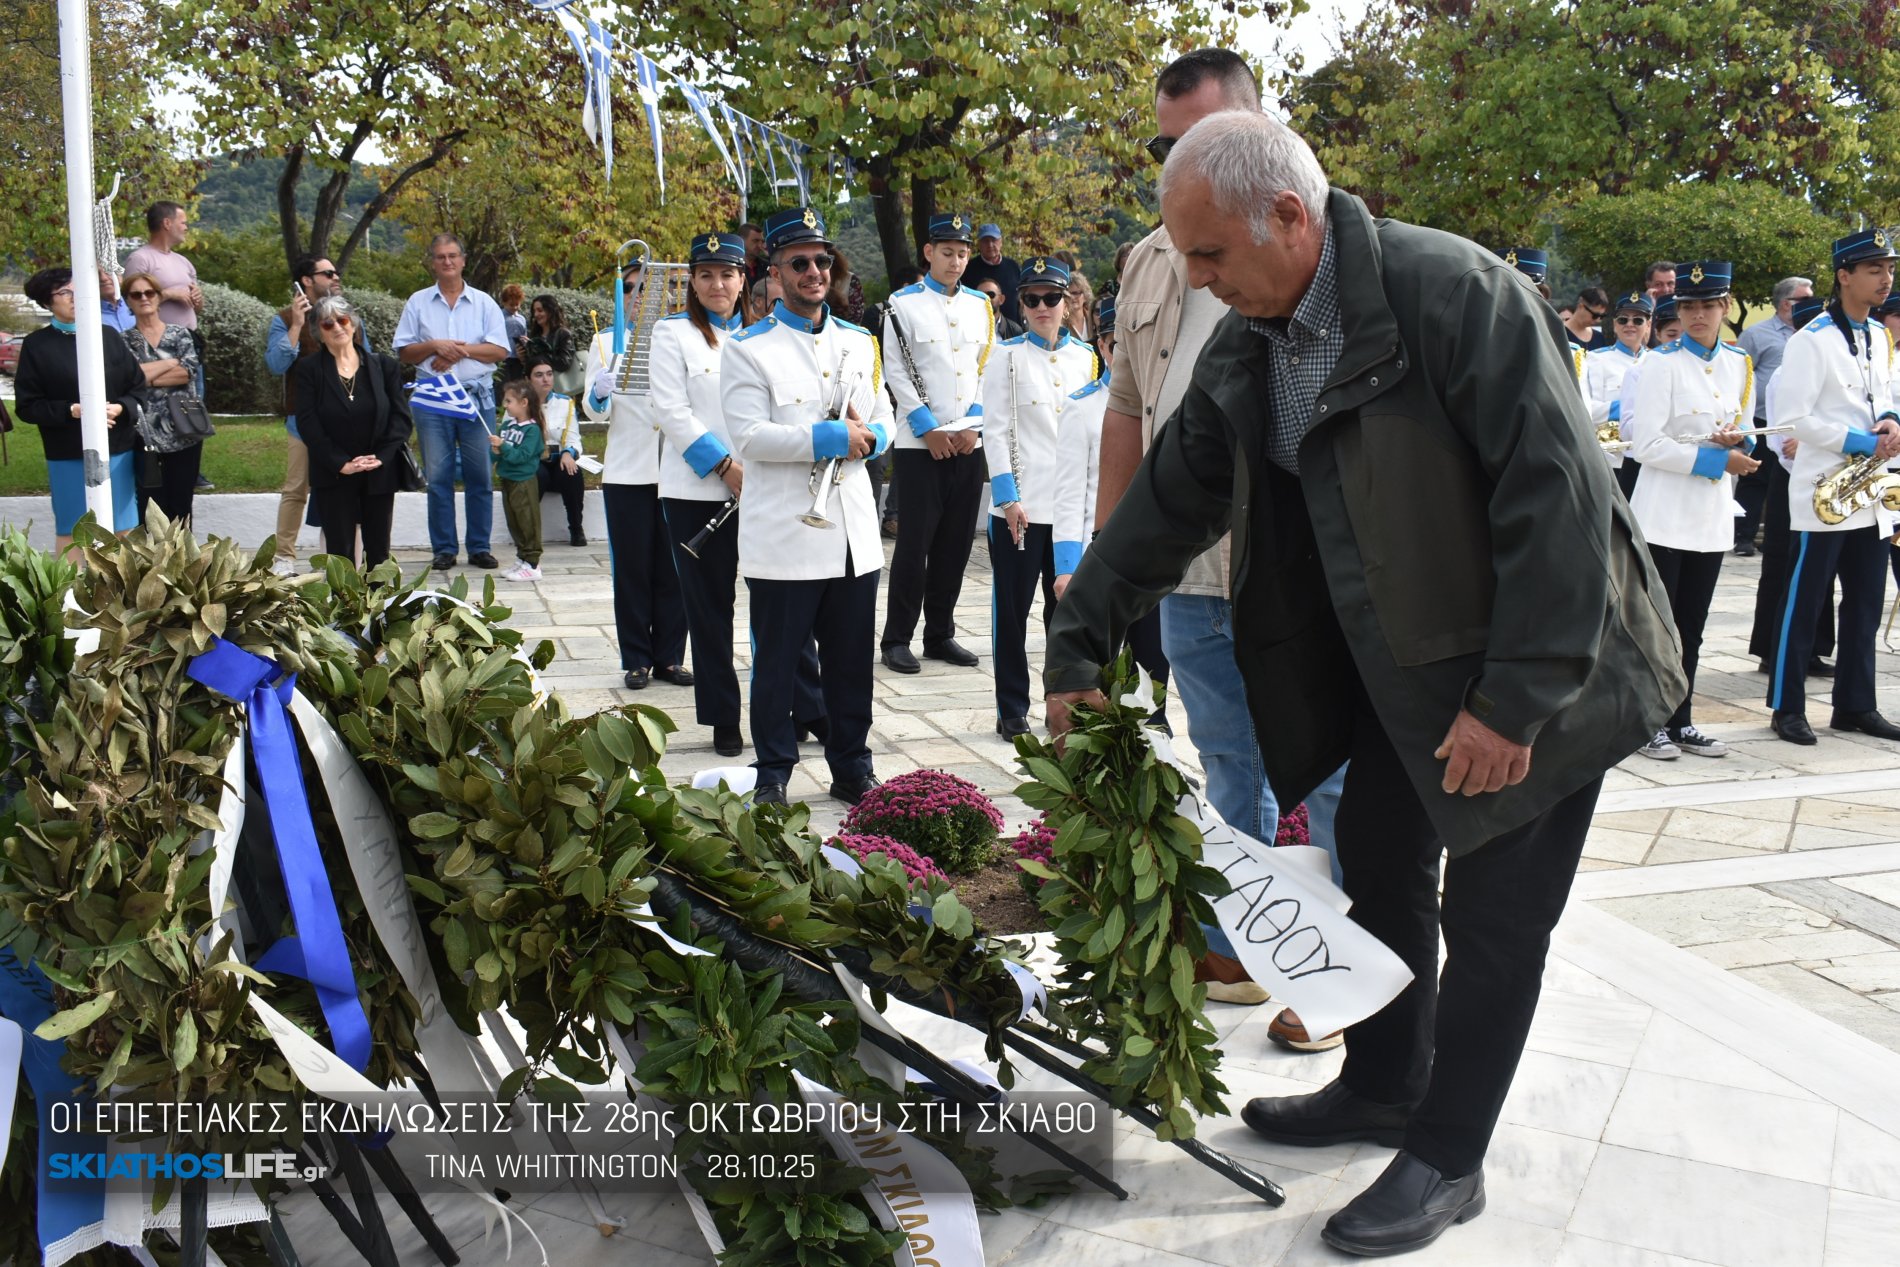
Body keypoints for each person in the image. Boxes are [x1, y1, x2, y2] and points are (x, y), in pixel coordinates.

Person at [1044, 110, 1682, 1257]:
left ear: (1288, 217)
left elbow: (1562, 508)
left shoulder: (1457, 298)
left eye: (1206, 255)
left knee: (1494, 920)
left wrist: (1512, 702)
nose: (1193, 279)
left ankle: (1448, 1153)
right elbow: (1163, 508)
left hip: (1545, 667)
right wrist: (1076, 644)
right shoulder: (1251, 343)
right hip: (1408, 671)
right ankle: (1387, 1082)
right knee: (1383, 864)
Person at [1096, 52, 1342, 991]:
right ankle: (1247, 950)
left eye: (1194, 139)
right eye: (1164, 144)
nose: (1175, 161)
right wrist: (1111, 550)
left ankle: (1345, 976)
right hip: (1189, 565)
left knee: (1333, 774)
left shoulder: (1321, 246)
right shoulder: (1149, 258)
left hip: (1296, 561)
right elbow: (1128, 409)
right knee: (1228, 763)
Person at [721, 206, 893, 807]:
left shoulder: (858, 341)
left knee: (850, 664)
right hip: (786, 536)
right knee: (776, 668)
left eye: (823, 260)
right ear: (773, 273)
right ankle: (773, 772)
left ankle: (851, 765)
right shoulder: (749, 348)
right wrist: (829, 438)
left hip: (851, 533)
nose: (815, 271)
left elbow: (884, 419)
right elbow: (748, 437)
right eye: (800, 263)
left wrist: (874, 438)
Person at [651, 231, 826, 759]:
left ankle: (807, 707)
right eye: (705, 275)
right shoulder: (672, 333)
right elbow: (671, 410)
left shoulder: (763, 336)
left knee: (784, 605)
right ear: (693, 282)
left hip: (765, 491)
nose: (717, 284)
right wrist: (725, 466)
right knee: (709, 611)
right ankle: (724, 715)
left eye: (726, 274)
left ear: (744, 278)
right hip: (697, 492)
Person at [1767, 229, 1900, 745]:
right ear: (1844, 276)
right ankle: (1787, 705)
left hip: (1870, 493)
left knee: (1865, 604)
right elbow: (1792, 419)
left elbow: (1883, 397)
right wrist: (1860, 441)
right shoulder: (1812, 340)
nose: (1886, 278)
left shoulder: (1878, 336)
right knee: (1804, 603)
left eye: (1888, 269)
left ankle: (1855, 705)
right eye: (1874, 269)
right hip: (1823, 494)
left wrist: (1889, 422)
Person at [1626, 260, 1758, 760]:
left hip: (1710, 514)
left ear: (1725, 307)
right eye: (1689, 306)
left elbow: (1743, 424)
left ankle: (1681, 720)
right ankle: (1646, 722)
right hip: (1663, 512)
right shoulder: (1659, 364)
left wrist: (1736, 441)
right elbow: (1646, 445)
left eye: (1708, 305)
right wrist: (1716, 457)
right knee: (1657, 626)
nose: (1698, 315)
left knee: (1693, 626)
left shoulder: (1738, 363)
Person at [985, 256, 1098, 738]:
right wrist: (1008, 499)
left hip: (1070, 512)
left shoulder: (1087, 358)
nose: (1041, 307)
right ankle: (1011, 705)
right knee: (1011, 612)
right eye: (1031, 299)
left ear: (1067, 301)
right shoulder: (1004, 356)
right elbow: (994, 430)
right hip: (1021, 507)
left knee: (1066, 615)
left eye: (1051, 297)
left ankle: (1063, 699)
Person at [878, 211, 993, 676]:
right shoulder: (901, 304)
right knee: (915, 544)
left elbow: (986, 370)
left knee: (957, 542)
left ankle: (940, 633)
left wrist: (974, 426)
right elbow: (894, 369)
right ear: (929, 252)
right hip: (919, 443)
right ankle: (897, 637)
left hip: (968, 440)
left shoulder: (979, 307)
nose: (957, 261)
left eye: (963, 254)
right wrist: (928, 428)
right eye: (948, 253)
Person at [583, 257, 691, 691]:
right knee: (632, 569)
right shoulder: (605, 341)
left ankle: (670, 656)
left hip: (676, 469)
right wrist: (599, 390)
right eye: (630, 288)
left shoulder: (679, 337)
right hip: (628, 469)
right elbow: (593, 410)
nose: (639, 296)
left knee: (675, 568)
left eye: (647, 288)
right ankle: (637, 658)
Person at [393, 233, 510, 570]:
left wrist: (458, 351)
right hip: (433, 398)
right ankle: (444, 548)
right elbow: (403, 351)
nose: (447, 262)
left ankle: (479, 547)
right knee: (439, 476)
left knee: (480, 476)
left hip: (476, 398)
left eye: (453, 256)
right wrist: (435, 346)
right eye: (441, 256)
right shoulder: (417, 302)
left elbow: (499, 351)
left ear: (463, 260)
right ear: (433, 262)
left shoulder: (484, 303)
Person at [11, 267, 145, 555]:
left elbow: (138, 390)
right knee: (73, 530)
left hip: (117, 450)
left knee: (123, 529)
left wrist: (119, 408)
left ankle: (129, 595)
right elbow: (27, 406)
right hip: (67, 453)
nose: (74, 298)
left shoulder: (108, 336)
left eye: (78, 290)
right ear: (48, 302)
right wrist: (72, 411)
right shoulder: (37, 345)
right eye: (64, 293)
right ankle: (67, 596)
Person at [1750, 294, 1838, 675]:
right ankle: (1773, 647)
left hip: (1826, 477)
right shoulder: (1787, 371)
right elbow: (1780, 438)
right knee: (1782, 565)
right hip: (1790, 478)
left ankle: (1814, 648)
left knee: (1823, 570)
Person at [290, 295, 411, 570]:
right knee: (340, 553)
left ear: (354, 323)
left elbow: (401, 419)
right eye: (328, 323)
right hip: (334, 473)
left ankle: (380, 608)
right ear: (318, 332)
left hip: (378, 470)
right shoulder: (309, 370)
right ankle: (344, 609)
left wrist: (381, 457)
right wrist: (340, 463)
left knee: (379, 552)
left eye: (342, 320)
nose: (337, 328)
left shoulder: (384, 367)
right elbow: (307, 423)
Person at [265, 255, 359, 575]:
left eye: (336, 272)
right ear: (307, 280)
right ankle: (284, 557)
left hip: (345, 421)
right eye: (328, 273)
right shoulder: (284, 319)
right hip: (302, 422)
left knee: (345, 490)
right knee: (296, 489)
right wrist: (295, 323)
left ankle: (344, 560)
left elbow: (367, 360)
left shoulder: (345, 316)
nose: (336, 276)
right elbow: (276, 365)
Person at [1735, 276, 1815, 557]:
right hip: (1762, 419)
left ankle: (1780, 533)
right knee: (1754, 479)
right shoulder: (1757, 334)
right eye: (1804, 299)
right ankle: (1743, 535)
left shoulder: (1814, 335)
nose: (1812, 302)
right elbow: (1742, 373)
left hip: (1800, 423)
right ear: (1785, 303)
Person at [120, 270, 207, 525]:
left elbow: (187, 372)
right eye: (136, 294)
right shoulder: (123, 341)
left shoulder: (181, 334)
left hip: (184, 429)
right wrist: (172, 362)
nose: (144, 298)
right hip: (142, 432)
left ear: (159, 297)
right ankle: (152, 563)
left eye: (149, 292)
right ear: (128, 301)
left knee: (181, 502)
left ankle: (183, 562)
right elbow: (127, 378)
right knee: (150, 504)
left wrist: (145, 375)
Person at [121, 202, 204, 376]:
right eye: (183, 223)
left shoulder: (184, 262)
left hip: (189, 343)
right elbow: (130, 302)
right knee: (160, 399)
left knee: (192, 401)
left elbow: (197, 309)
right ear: (167, 223)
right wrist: (169, 294)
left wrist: (197, 299)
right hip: (158, 346)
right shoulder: (140, 259)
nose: (186, 228)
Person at [1584, 291, 1651, 496]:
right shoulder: (1595, 360)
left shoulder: (1659, 362)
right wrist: (1629, 408)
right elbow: (1587, 409)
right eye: (1623, 319)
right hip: (1609, 459)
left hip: (1647, 457)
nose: (1629, 324)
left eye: (1638, 320)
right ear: (1614, 325)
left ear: (1648, 325)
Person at [490, 379, 546, 582]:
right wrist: (495, 450)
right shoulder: (506, 426)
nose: (505, 405)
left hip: (523, 481)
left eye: (509, 401)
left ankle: (533, 563)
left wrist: (503, 446)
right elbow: (498, 456)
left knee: (527, 521)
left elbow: (521, 456)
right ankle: (522, 558)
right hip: (507, 479)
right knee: (514, 522)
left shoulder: (532, 430)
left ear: (524, 403)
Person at [527, 358, 586, 546]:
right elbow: (512, 438)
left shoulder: (565, 403)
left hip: (559, 458)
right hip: (534, 460)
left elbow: (574, 437)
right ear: (528, 379)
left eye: (549, 374)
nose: (546, 379)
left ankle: (576, 528)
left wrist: (569, 453)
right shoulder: (519, 403)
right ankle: (529, 532)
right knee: (537, 473)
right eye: (539, 375)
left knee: (572, 473)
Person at [520, 294, 582, 399]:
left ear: (550, 311)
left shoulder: (563, 334)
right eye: (534, 311)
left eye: (540, 310)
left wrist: (541, 350)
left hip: (559, 393)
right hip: (537, 392)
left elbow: (564, 363)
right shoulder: (535, 335)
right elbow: (532, 366)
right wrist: (523, 356)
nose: (536, 314)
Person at [962, 224, 1021, 323]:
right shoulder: (968, 269)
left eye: (994, 240)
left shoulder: (1013, 266)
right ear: (979, 244)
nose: (990, 245)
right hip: (978, 327)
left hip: (1011, 331)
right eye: (985, 241)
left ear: (1001, 242)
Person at [498, 283, 529, 377]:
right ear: (504, 302)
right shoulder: (498, 316)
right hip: (504, 359)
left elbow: (524, 335)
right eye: (511, 305)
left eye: (517, 304)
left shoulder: (521, 319)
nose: (515, 307)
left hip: (518, 359)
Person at [1063, 269, 1098, 345]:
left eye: (1075, 293)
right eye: (1067, 294)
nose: (1071, 297)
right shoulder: (1060, 324)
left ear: (1085, 295)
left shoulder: (1094, 319)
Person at [98, 269, 133, 333]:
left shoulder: (137, 302)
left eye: (108, 271)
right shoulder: (89, 317)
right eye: (97, 273)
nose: (103, 278)